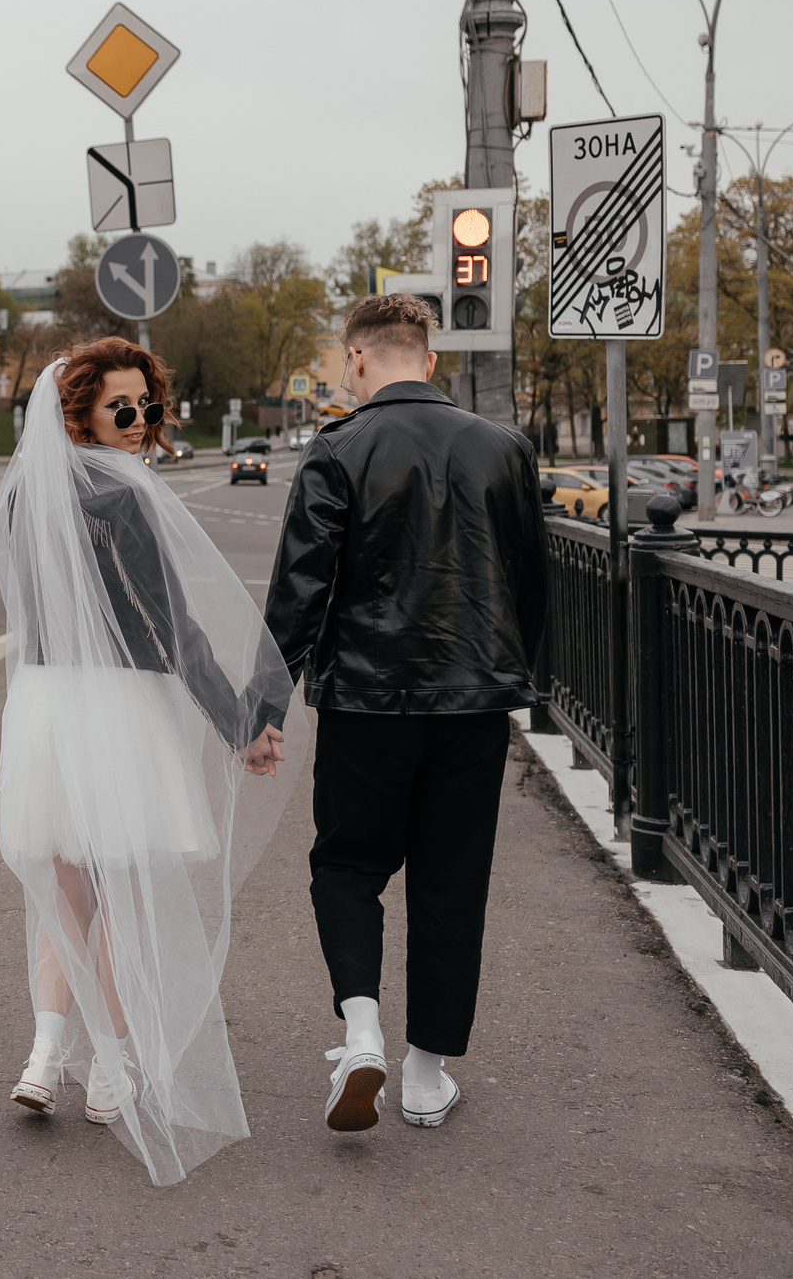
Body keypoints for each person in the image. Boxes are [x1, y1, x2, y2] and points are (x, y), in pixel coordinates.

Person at [0, 337, 294, 1186]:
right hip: (122, 709)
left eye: (148, 407)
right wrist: (241, 721)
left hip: (48, 707)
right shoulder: (127, 491)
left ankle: (45, 1056)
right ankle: (113, 1069)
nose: (138, 422)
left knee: (65, 891)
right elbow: (172, 627)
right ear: (81, 409)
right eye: (121, 407)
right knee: (121, 892)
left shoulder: (26, 490)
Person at [262, 293, 547, 1135]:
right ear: (431, 359)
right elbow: (530, 580)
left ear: (355, 359)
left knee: (348, 865)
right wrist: (516, 676)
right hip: (473, 701)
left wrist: (263, 701)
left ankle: (362, 1033)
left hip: (365, 699)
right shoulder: (505, 448)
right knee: (452, 880)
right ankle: (425, 1076)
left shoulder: (339, 449)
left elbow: (299, 588)